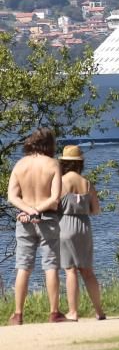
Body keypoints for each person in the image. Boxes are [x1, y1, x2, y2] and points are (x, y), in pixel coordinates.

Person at [7, 128, 65, 325]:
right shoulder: (53, 164)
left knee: (23, 266)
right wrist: (36, 210)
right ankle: (54, 312)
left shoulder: (19, 165)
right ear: (49, 145)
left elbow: (12, 196)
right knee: (50, 266)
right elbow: (54, 198)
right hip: (47, 219)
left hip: (24, 220)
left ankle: (17, 314)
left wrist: (28, 210)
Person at [57, 145, 106, 321]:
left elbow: (54, 207)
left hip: (65, 225)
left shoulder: (61, 182)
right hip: (84, 226)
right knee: (87, 270)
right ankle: (99, 311)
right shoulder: (87, 183)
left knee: (70, 270)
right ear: (80, 163)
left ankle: (73, 311)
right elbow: (96, 210)